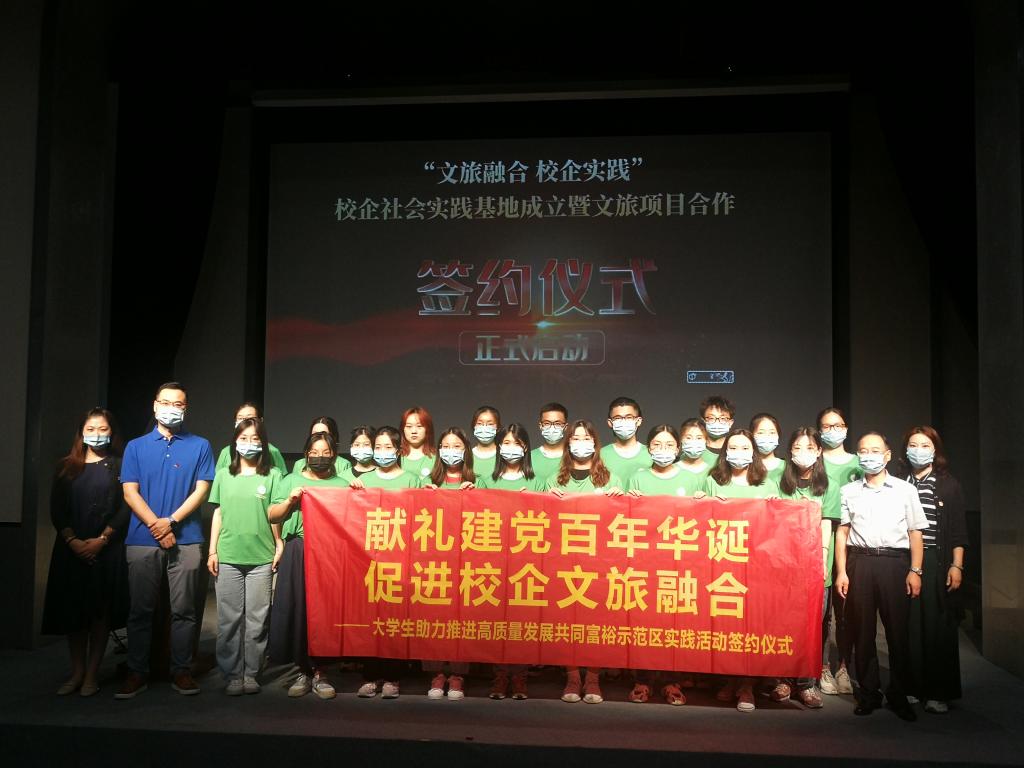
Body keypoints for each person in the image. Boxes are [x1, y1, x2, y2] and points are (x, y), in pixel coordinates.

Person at [116, 382, 215, 698]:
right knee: (140, 611)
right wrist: (156, 525)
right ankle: (137, 672)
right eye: (166, 402)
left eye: (179, 404)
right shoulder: (135, 447)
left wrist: (170, 522)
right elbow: (129, 492)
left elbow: (202, 491)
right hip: (142, 539)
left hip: (187, 539)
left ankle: (181, 670)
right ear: (155, 405)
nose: (172, 408)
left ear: (186, 409)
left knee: (184, 610)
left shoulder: (200, 445)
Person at [835, 431, 928, 721]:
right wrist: (841, 571)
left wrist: (915, 570)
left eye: (875, 450)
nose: (869, 456)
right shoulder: (849, 491)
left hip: (895, 563)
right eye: (863, 451)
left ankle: (899, 694)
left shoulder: (905, 490)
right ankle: (868, 693)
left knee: (898, 633)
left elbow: (916, 533)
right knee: (862, 631)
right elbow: (842, 533)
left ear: (887, 455)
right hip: (860, 562)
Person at [42, 408, 130, 698]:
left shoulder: (120, 465)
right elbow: (57, 510)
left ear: (112, 432)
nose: (97, 434)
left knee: (99, 613)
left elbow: (125, 508)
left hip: (106, 549)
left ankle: (92, 673)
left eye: (103, 429)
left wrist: (102, 540)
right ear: (81, 433)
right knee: (74, 613)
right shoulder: (66, 466)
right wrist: (74, 542)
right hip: (71, 550)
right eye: (91, 429)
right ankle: (77, 672)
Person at [268, 432, 350, 699]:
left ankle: (321, 672)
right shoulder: (291, 480)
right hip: (298, 548)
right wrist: (290, 501)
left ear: (334, 455)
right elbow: (272, 515)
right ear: (305, 455)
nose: (319, 457)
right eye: (314, 453)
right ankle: (302, 671)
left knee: (325, 610)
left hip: (329, 552)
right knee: (298, 608)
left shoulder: (342, 485)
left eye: (325, 452)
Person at [702, 428, 779, 712]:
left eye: (745, 448)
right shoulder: (712, 481)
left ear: (753, 453)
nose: (738, 453)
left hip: (756, 566)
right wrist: (701, 502)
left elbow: (777, 527)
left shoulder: (767, 485)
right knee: (726, 624)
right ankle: (729, 680)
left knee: (752, 625)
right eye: (732, 448)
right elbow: (698, 521)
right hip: (722, 565)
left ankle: (747, 685)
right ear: (724, 453)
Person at [548, 419, 623, 705]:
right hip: (565, 560)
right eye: (575, 438)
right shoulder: (555, 480)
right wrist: (545, 500)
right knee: (567, 620)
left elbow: (624, 520)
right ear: (568, 444)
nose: (581, 443)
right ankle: (572, 677)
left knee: (596, 621)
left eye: (586, 438)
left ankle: (593, 677)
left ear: (595, 444)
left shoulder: (611, 479)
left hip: (600, 561)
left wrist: (621, 499)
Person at [207, 418, 283, 695]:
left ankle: (251, 673)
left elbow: (275, 514)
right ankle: (232, 674)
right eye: (243, 438)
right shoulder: (224, 475)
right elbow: (218, 513)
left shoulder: (273, 475)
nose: (249, 443)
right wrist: (212, 550)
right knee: (229, 620)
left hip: (261, 557)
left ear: (263, 443)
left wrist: (278, 544)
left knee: (257, 619)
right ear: (235, 441)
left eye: (255, 439)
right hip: (228, 555)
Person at [900, 426, 968, 714]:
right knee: (910, 626)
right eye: (913, 445)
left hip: (936, 561)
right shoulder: (899, 482)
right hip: (903, 560)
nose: (918, 450)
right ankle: (912, 687)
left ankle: (938, 691)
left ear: (935, 450)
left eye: (925, 445)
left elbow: (958, 531)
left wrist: (956, 564)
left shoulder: (948, 485)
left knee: (937, 626)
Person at [625, 424, 692, 706]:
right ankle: (642, 680)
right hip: (644, 562)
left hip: (680, 563)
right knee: (644, 621)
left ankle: (671, 681)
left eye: (669, 445)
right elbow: (625, 517)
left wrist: (707, 502)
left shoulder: (691, 478)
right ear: (648, 447)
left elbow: (706, 517)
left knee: (675, 623)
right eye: (657, 444)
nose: (663, 450)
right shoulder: (638, 477)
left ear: (678, 449)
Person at [776, 427, 841, 709]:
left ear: (819, 451)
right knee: (782, 624)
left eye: (810, 447)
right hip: (783, 567)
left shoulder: (829, 485)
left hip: (815, 566)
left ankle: (807, 683)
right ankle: (782, 680)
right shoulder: (778, 481)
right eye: (798, 447)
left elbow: (827, 524)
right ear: (790, 451)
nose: (803, 453)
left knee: (812, 627)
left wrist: (821, 560)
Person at [351, 426, 417, 697]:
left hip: (401, 559)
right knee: (371, 619)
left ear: (399, 450)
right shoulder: (363, 480)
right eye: (378, 447)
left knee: (396, 620)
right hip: (369, 560)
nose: (382, 452)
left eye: (388, 447)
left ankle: (393, 677)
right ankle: (370, 676)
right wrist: (353, 492)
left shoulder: (412, 479)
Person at [817, 406, 862, 696]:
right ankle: (822, 667)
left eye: (839, 425)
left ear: (846, 428)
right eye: (827, 426)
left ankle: (844, 666)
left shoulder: (860, 463)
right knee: (822, 613)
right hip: (819, 546)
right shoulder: (812, 460)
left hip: (851, 547)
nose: (833, 430)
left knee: (846, 611)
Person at [214, 402, 287, 474]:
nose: (245, 422)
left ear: (260, 420)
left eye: (250, 418)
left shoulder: (273, 451)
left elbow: (282, 478)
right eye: (240, 418)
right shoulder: (225, 452)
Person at [476, 423, 543, 492]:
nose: (512, 447)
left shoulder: (538, 483)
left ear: (525, 448)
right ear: (500, 447)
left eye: (517, 443)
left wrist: (531, 497)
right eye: (506, 443)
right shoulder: (487, 483)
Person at [600, 396, 652, 483]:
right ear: (610, 423)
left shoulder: (651, 453)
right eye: (617, 418)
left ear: (638, 421)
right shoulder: (600, 455)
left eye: (629, 417)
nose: (623, 421)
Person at [530, 402, 569, 485]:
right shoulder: (529, 458)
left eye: (558, 423)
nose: (552, 428)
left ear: (565, 427)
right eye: (547, 423)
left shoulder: (573, 458)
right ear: (541, 426)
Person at [677, 418, 714, 496]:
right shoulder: (672, 470)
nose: (694, 442)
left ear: (706, 441)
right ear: (681, 440)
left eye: (699, 438)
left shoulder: (712, 472)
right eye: (688, 438)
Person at [399, 406, 436, 481]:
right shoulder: (396, 456)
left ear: (428, 429)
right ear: (403, 429)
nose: (414, 431)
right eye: (409, 426)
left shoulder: (437, 458)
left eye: (419, 426)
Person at [699, 395, 736, 466]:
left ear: (730, 423)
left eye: (723, 418)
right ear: (703, 421)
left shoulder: (736, 450)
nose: (717, 422)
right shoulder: (695, 450)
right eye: (711, 418)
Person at [750, 412, 786, 484]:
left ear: (778, 435)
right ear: (751, 435)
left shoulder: (787, 467)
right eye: (761, 433)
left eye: (772, 432)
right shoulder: (746, 466)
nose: (767, 436)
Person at [470, 406, 501, 481]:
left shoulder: (504, 455)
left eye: (490, 424)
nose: (484, 427)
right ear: (474, 426)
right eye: (480, 423)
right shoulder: (467, 456)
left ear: (498, 428)